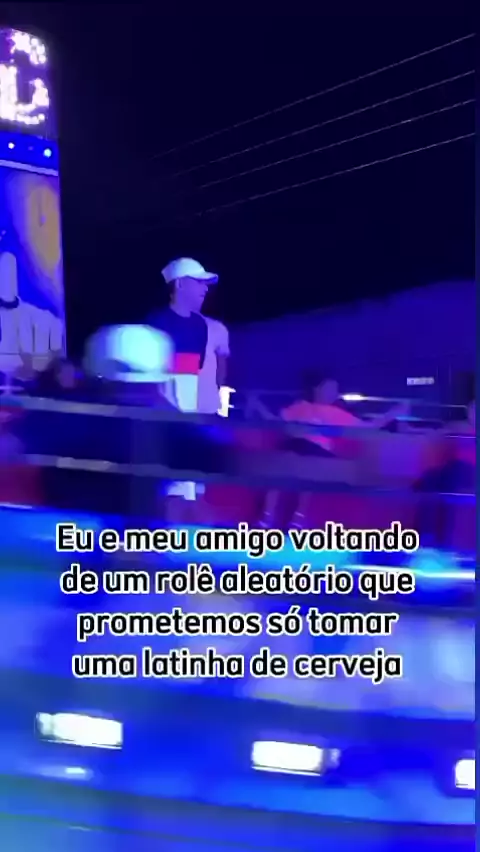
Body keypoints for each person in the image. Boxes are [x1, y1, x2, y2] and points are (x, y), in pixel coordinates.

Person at [252, 371, 407, 529]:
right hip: (293, 448)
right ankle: (267, 517)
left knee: (309, 472)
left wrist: (392, 414)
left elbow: (368, 427)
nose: (334, 393)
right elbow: (275, 421)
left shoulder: (336, 413)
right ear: (317, 389)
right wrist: (257, 404)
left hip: (317, 453)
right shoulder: (300, 407)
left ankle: (297, 520)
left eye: (335, 390)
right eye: (330, 388)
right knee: (279, 468)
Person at [149, 257, 228, 513]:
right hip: (165, 418)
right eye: (199, 282)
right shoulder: (155, 323)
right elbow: (154, 378)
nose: (205, 289)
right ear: (180, 284)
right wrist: (169, 412)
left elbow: (193, 373)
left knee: (194, 490)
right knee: (172, 491)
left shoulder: (200, 326)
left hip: (192, 414)